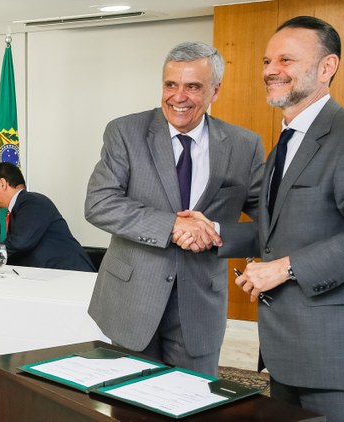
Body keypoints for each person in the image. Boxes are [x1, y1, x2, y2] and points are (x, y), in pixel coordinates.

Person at [84, 41, 264, 376]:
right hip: (130, 302)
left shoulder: (244, 145)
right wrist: (173, 226)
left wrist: (218, 233)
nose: (178, 97)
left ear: (215, 90)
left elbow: (273, 222)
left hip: (199, 308)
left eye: (193, 86)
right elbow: (99, 203)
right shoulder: (125, 132)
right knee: (127, 405)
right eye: (171, 84)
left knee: (194, 404)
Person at [216, 17, 344, 421]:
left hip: (336, 360)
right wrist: (212, 234)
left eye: (286, 59)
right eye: (266, 60)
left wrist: (285, 268)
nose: (270, 70)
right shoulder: (284, 142)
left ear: (327, 67)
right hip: (283, 355)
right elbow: (278, 230)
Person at [0, 162, 94, 272]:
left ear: (3, 184)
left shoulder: (31, 202)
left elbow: (20, 243)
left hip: (73, 275)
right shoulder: (19, 208)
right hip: (52, 276)